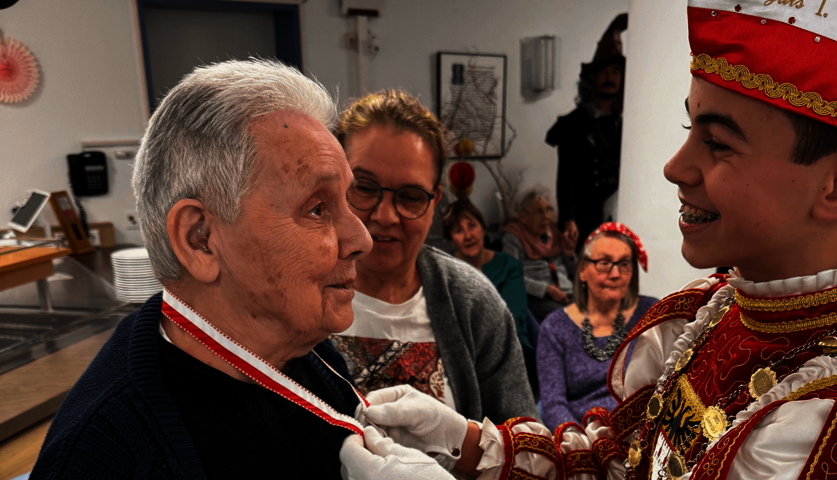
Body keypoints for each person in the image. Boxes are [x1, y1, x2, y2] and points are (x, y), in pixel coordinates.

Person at [339, 2, 837, 479]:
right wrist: (469, 443)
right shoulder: (716, 312)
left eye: (718, 142)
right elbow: (614, 458)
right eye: (692, 127)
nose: (675, 166)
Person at [31, 60, 374, 478]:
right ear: (200, 240)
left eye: (347, 202)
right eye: (318, 208)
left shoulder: (306, 348)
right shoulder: (104, 456)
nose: (361, 240)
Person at [330, 89, 536, 425]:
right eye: (364, 187)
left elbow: (524, 445)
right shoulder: (292, 291)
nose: (385, 215)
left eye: (410, 196)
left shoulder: (473, 303)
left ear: (435, 201)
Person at [538, 222, 657, 431]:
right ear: (582, 270)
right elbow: (553, 404)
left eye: (624, 264)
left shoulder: (653, 314)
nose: (615, 274)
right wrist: (578, 441)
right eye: (604, 263)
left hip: (642, 435)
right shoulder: (554, 327)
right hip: (582, 437)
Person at [547, 13, 627, 249]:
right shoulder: (573, 124)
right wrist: (568, 219)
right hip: (587, 215)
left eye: (615, 71)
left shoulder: (629, 122)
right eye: (603, 72)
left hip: (626, 211)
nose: (609, 77)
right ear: (591, 79)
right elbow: (567, 176)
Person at [441, 199, 529, 349]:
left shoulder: (509, 267)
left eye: (472, 226)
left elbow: (512, 322)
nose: (468, 236)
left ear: (483, 228)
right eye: (458, 231)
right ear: (451, 241)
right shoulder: (442, 270)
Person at [502, 187, 577, 322]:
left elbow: (576, 274)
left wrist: (569, 255)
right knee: (567, 319)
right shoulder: (514, 238)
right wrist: (547, 289)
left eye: (548, 210)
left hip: (568, 294)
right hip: (539, 297)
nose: (547, 216)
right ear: (523, 217)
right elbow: (511, 276)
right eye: (539, 212)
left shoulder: (554, 234)